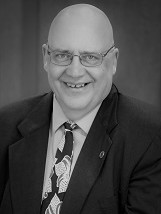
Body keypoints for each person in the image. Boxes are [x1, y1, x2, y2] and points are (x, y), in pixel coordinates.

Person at [0, 3, 161, 214]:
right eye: (62, 55)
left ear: (113, 61)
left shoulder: (151, 137)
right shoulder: (5, 125)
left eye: (90, 57)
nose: (75, 72)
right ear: (46, 57)